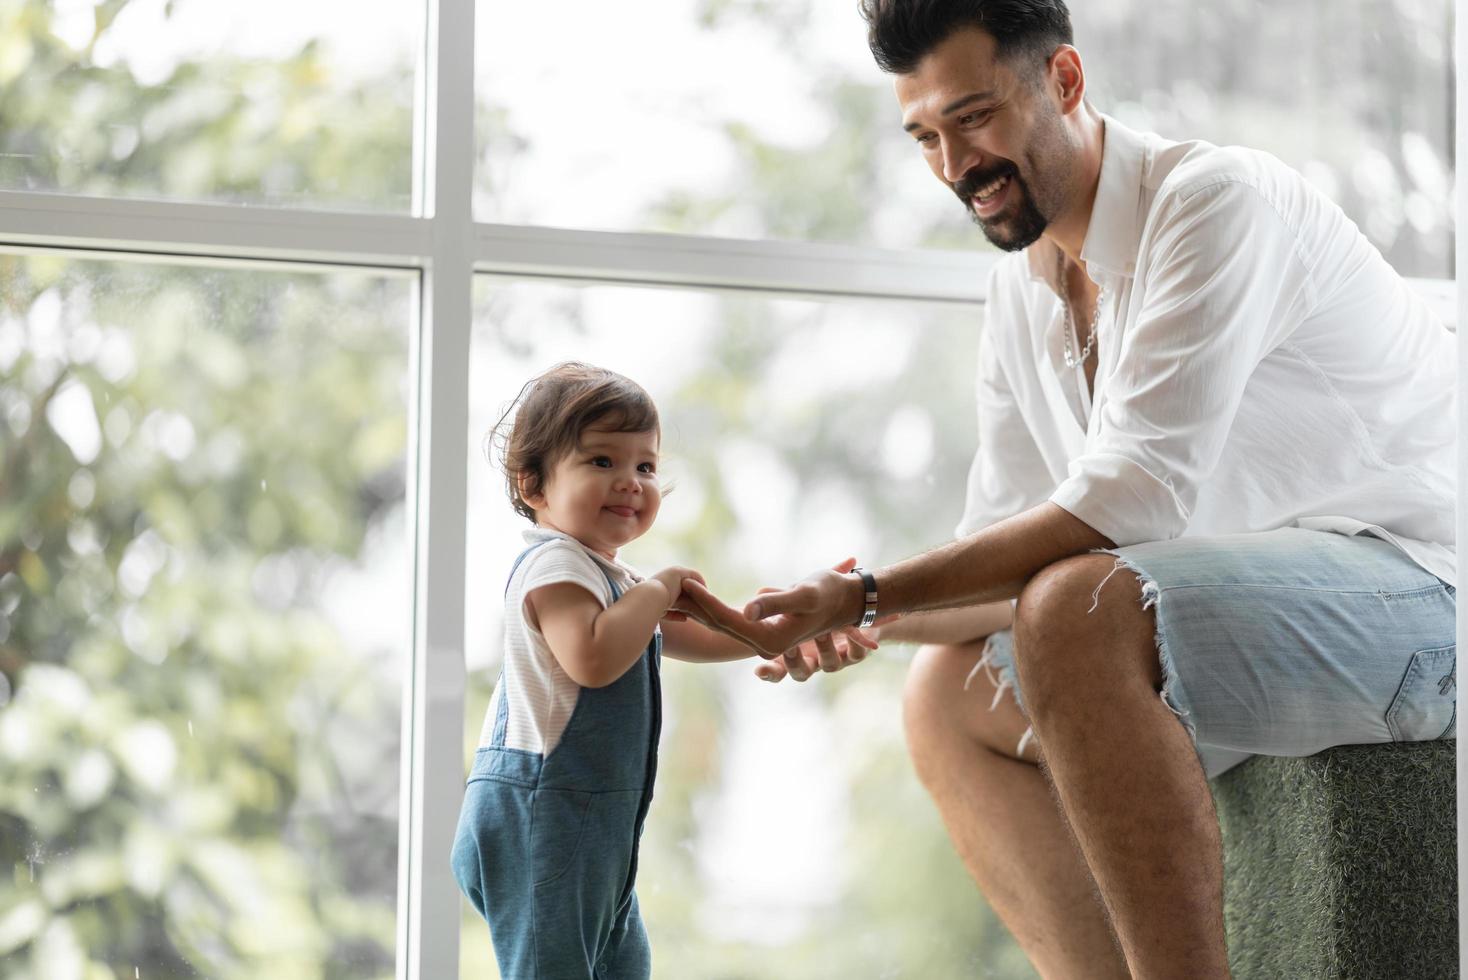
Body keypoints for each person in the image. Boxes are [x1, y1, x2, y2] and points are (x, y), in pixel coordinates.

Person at [681, 2, 1458, 977]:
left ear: (1065, 81)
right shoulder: (1023, 291)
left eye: (974, 118)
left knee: (1076, 606)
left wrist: (870, 593)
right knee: (946, 692)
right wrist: (803, 616)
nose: (955, 164)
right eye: (925, 135)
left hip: (1427, 593)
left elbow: (1130, 503)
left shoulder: (1214, 200)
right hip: (1257, 622)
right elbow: (992, 563)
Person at [448, 362, 845, 979]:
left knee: (623, 965)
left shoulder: (611, 579)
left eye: (646, 466)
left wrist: (778, 628)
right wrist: (660, 587)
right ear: (534, 486)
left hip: (596, 829)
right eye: (603, 462)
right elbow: (594, 657)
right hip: (543, 819)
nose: (631, 482)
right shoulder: (555, 566)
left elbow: (689, 637)